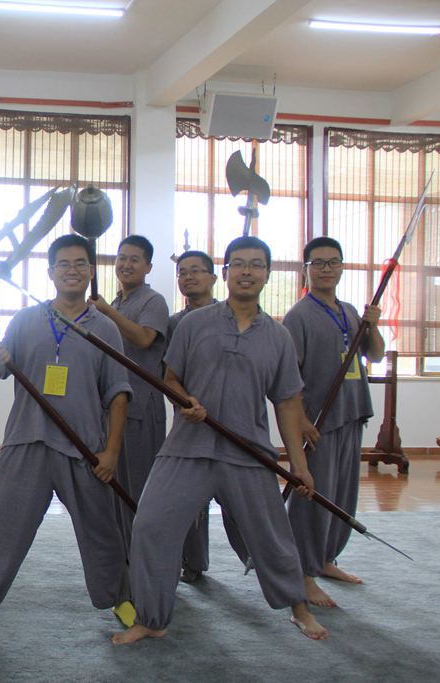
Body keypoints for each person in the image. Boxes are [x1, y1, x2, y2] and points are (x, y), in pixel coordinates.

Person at [113, 236, 328, 645]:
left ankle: (298, 608)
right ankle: (152, 617)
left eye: (256, 264)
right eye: (239, 264)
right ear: (225, 273)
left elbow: (287, 403)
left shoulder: (278, 337)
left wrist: (299, 467)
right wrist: (184, 400)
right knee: (151, 525)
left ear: (268, 274)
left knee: (272, 536)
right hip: (187, 448)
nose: (247, 271)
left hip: (247, 452)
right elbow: (170, 377)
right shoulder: (193, 325)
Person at [0, 234, 132, 627]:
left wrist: (110, 452)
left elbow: (118, 394)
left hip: (83, 447)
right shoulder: (26, 320)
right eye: (64, 264)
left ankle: (119, 598)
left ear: (90, 271)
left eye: (80, 263)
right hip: (26, 440)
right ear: (51, 272)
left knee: (101, 529)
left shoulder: (105, 329)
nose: (72, 270)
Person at [284, 237, 384, 608]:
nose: (326, 269)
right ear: (306, 269)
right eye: (318, 263)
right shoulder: (298, 316)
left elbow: (375, 355)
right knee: (314, 496)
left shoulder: (350, 311)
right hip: (319, 421)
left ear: (342, 267)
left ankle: (326, 559)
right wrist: (300, 419)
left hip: (351, 412)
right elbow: (288, 377)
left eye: (333, 262)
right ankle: (303, 572)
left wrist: (372, 326)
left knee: (342, 495)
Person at [169, 251, 248, 583]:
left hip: (234, 424)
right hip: (192, 423)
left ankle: (257, 557)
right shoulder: (175, 323)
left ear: (215, 278)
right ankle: (193, 562)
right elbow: (169, 374)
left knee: (241, 499)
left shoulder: (236, 317)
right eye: (182, 272)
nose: (188, 277)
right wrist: (185, 403)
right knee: (189, 499)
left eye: (196, 271)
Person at [91, 235, 169, 550]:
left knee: (141, 483)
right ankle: (124, 550)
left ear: (148, 266)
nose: (126, 264)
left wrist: (106, 312)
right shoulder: (117, 302)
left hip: (141, 406)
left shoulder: (153, 301)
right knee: (115, 483)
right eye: (121, 258)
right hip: (112, 405)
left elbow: (144, 338)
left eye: (134, 259)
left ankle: (147, 553)